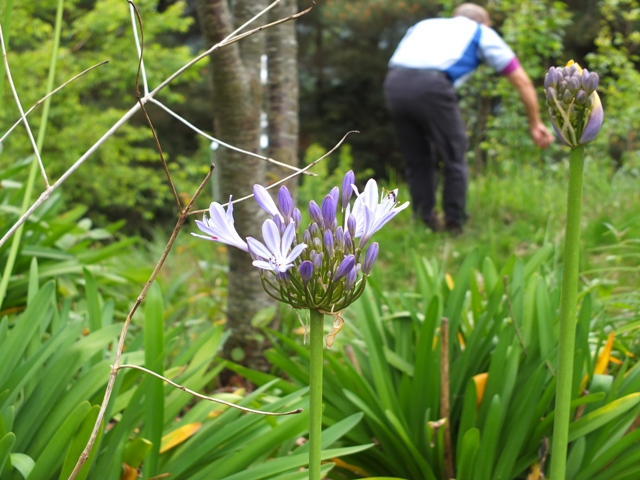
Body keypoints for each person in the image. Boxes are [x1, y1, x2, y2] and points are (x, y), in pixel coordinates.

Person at [384, 3, 554, 234]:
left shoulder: (424, 24)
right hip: (432, 86)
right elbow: (521, 80)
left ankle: (424, 220)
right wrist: (535, 123)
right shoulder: (480, 31)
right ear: (484, 21)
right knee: (454, 156)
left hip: (394, 83)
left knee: (418, 158)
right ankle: (454, 223)